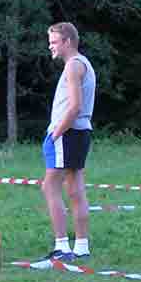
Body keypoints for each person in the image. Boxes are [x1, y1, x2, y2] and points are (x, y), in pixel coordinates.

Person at [40, 22, 96, 263]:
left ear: (68, 42)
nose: (50, 46)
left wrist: (56, 134)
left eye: (54, 42)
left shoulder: (73, 66)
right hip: (80, 132)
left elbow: (74, 106)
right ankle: (81, 247)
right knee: (75, 189)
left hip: (67, 132)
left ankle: (61, 246)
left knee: (50, 187)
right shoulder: (84, 63)